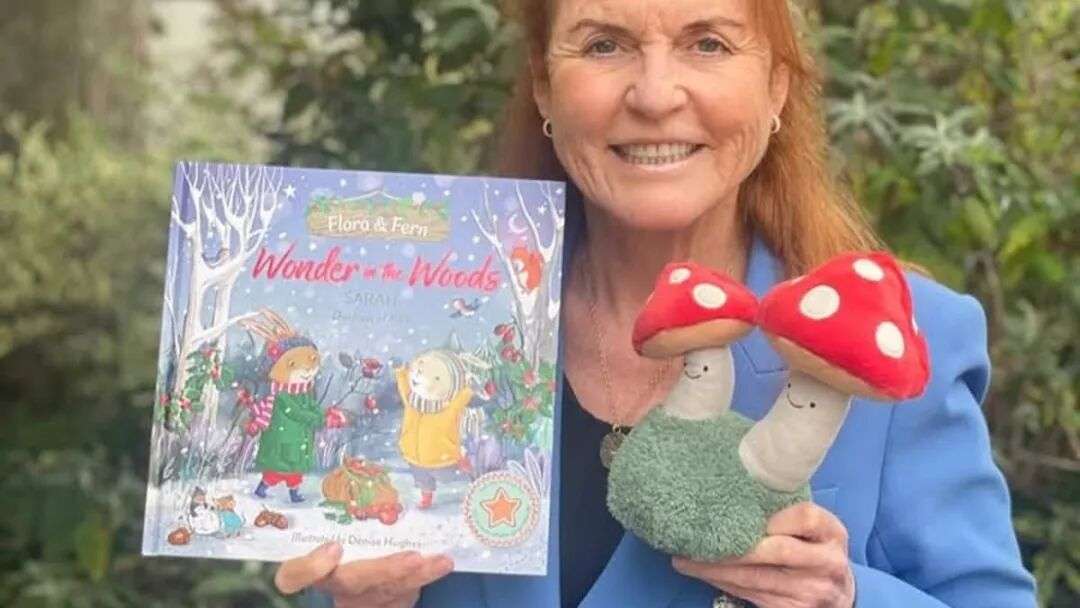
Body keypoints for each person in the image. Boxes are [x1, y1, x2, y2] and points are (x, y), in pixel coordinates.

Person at [275, 0, 1038, 606]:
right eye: (604, 44)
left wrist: (846, 598)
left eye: (708, 43)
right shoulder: (440, 331)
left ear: (777, 88)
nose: (654, 95)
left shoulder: (905, 339)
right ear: (543, 88)